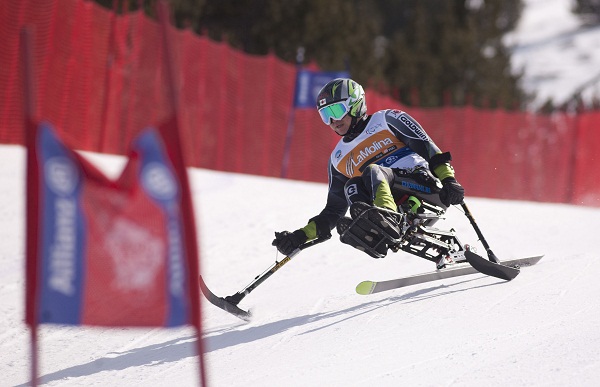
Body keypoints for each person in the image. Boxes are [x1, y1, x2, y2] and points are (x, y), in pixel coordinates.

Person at [272, 78, 464, 259]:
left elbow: (430, 150)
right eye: (325, 115)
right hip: (396, 205)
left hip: (425, 187)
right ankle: (374, 234)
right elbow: (333, 210)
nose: (333, 121)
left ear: (355, 104)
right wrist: (299, 236)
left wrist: (449, 180)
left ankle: (389, 219)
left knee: (373, 171)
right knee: (352, 186)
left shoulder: (387, 120)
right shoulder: (338, 158)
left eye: (336, 111)